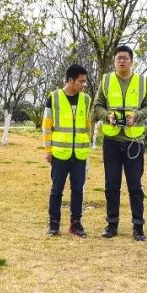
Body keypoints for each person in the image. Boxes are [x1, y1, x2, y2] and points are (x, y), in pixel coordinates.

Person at [92, 45, 147, 241]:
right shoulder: (106, 80)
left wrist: (137, 115)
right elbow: (97, 105)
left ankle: (138, 226)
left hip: (134, 141)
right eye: (118, 58)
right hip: (111, 141)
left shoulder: (142, 81)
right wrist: (106, 115)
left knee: (135, 186)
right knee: (111, 185)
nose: (121, 61)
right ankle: (111, 224)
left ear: (132, 60)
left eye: (125, 58)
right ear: (114, 61)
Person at [42, 63, 92, 237]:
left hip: (79, 154)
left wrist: (88, 145)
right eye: (81, 81)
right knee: (57, 190)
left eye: (84, 81)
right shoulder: (53, 97)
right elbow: (47, 126)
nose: (83, 85)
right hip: (60, 153)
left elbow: (87, 126)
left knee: (78, 190)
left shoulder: (86, 99)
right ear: (70, 80)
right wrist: (48, 150)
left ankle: (76, 224)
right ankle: (53, 224)